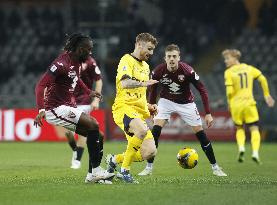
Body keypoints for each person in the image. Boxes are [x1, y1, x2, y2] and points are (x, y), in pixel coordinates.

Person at [33, 33, 114, 183]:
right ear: (80, 49)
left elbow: (77, 79)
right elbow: (40, 85)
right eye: (88, 49)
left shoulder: (76, 62)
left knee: (98, 135)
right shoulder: (60, 63)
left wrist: (89, 92)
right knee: (93, 124)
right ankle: (96, 172)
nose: (90, 53)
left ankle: (91, 175)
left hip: (67, 106)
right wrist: (41, 110)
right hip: (55, 108)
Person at [138, 44, 227, 177]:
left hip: (186, 103)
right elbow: (153, 89)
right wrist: (151, 107)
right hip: (166, 101)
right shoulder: (158, 71)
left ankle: (215, 167)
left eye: (174, 56)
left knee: (201, 135)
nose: (172, 59)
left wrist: (208, 113)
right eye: (169, 56)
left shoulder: (187, 71)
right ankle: (149, 168)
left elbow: (202, 90)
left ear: (179, 57)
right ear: (165, 58)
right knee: (155, 131)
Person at [106, 33, 159, 183]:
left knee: (149, 152)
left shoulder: (146, 66)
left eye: (153, 49)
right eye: (149, 48)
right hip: (123, 108)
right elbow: (124, 83)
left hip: (138, 112)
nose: (151, 53)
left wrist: (149, 106)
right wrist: (144, 83)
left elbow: (139, 95)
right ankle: (125, 171)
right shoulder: (126, 60)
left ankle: (114, 160)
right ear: (139, 45)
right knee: (141, 130)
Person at [222, 49, 275, 164]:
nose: (225, 61)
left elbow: (229, 92)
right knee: (254, 129)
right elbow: (262, 78)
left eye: (227, 58)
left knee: (240, 128)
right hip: (250, 103)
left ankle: (241, 148)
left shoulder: (229, 72)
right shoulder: (249, 68)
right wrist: (266, 95)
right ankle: (255, 152)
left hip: (236, 104)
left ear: (235, 58)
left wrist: (229, 103)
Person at [65, 56, 103, 170]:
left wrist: (96, 99)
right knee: (68, 133)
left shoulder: (90, 62)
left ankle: (77, 160)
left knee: (82, 131)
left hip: (84, 101)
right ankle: (76, 150)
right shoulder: (66, 61)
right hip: (68, 101)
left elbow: (99, 80)